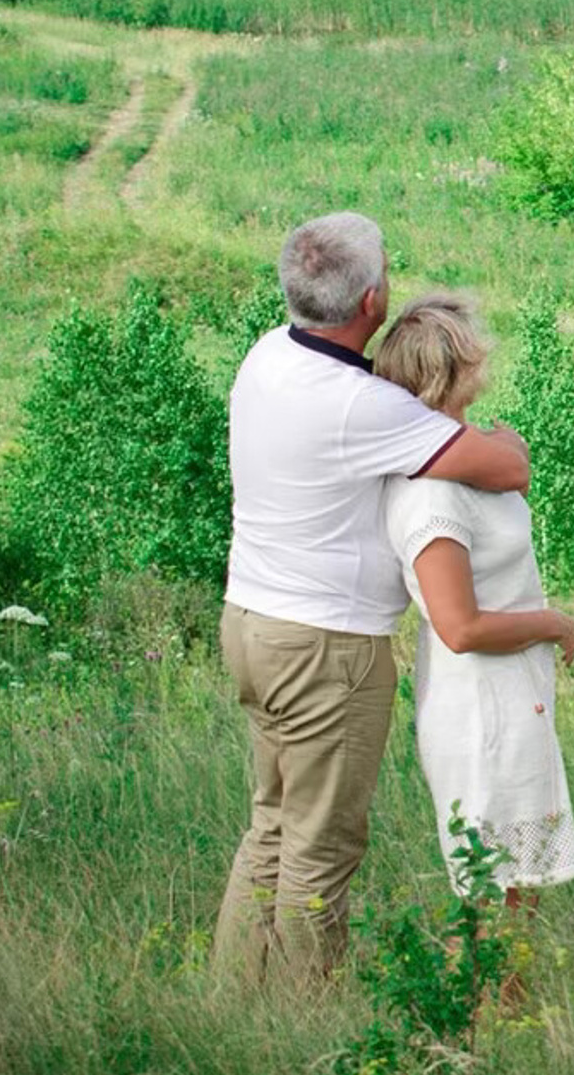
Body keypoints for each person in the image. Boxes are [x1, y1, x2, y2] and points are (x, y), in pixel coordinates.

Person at [215, 212, 533, 988]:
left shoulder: (268, 356)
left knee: (273, 826)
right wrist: (512, 441)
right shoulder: (364, 406)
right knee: (321, 847)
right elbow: (504, 466)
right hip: (325, 648)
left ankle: (232, 998)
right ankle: (299, 1019)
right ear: (371, 302)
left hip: (250, 622)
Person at [373, 294, 574, 905]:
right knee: (493, 894)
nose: (484, 353)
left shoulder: (466, 464)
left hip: (511, 699)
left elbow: (515, 467)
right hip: (478, 710)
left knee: (520, 892)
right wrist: (550, 622)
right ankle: (482, 1003)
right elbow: (458, 627)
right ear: (452, 368)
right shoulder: (432, 497)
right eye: (472, 347)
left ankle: (507, 1002)